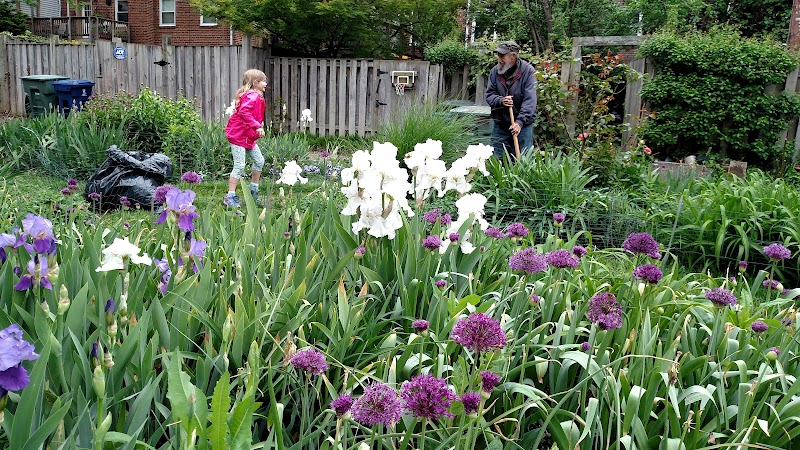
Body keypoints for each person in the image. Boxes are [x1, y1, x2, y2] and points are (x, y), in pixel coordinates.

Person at [485, 41, 537, 161]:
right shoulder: (495, 72)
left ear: (513, 56)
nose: (499, 59)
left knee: (523, 162)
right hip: (501, 125)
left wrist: (519, 122)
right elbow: (489, 95)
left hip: (522, 127)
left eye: (502, 56)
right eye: (498, 56)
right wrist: (501, 100)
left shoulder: (528, 72)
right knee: (497, 161)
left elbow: (530, 100)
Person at [224, 68, 268, 207]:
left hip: (248, 137)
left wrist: (255, 129)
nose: (266, 84)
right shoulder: (252, 96)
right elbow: (244, 112)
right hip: (238, 136)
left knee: (259, 161)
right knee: (239, 165)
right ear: (255, 82)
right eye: (263, 81)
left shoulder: (256, 95)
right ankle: (229, 197)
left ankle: (253, 191)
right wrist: (257, 126)